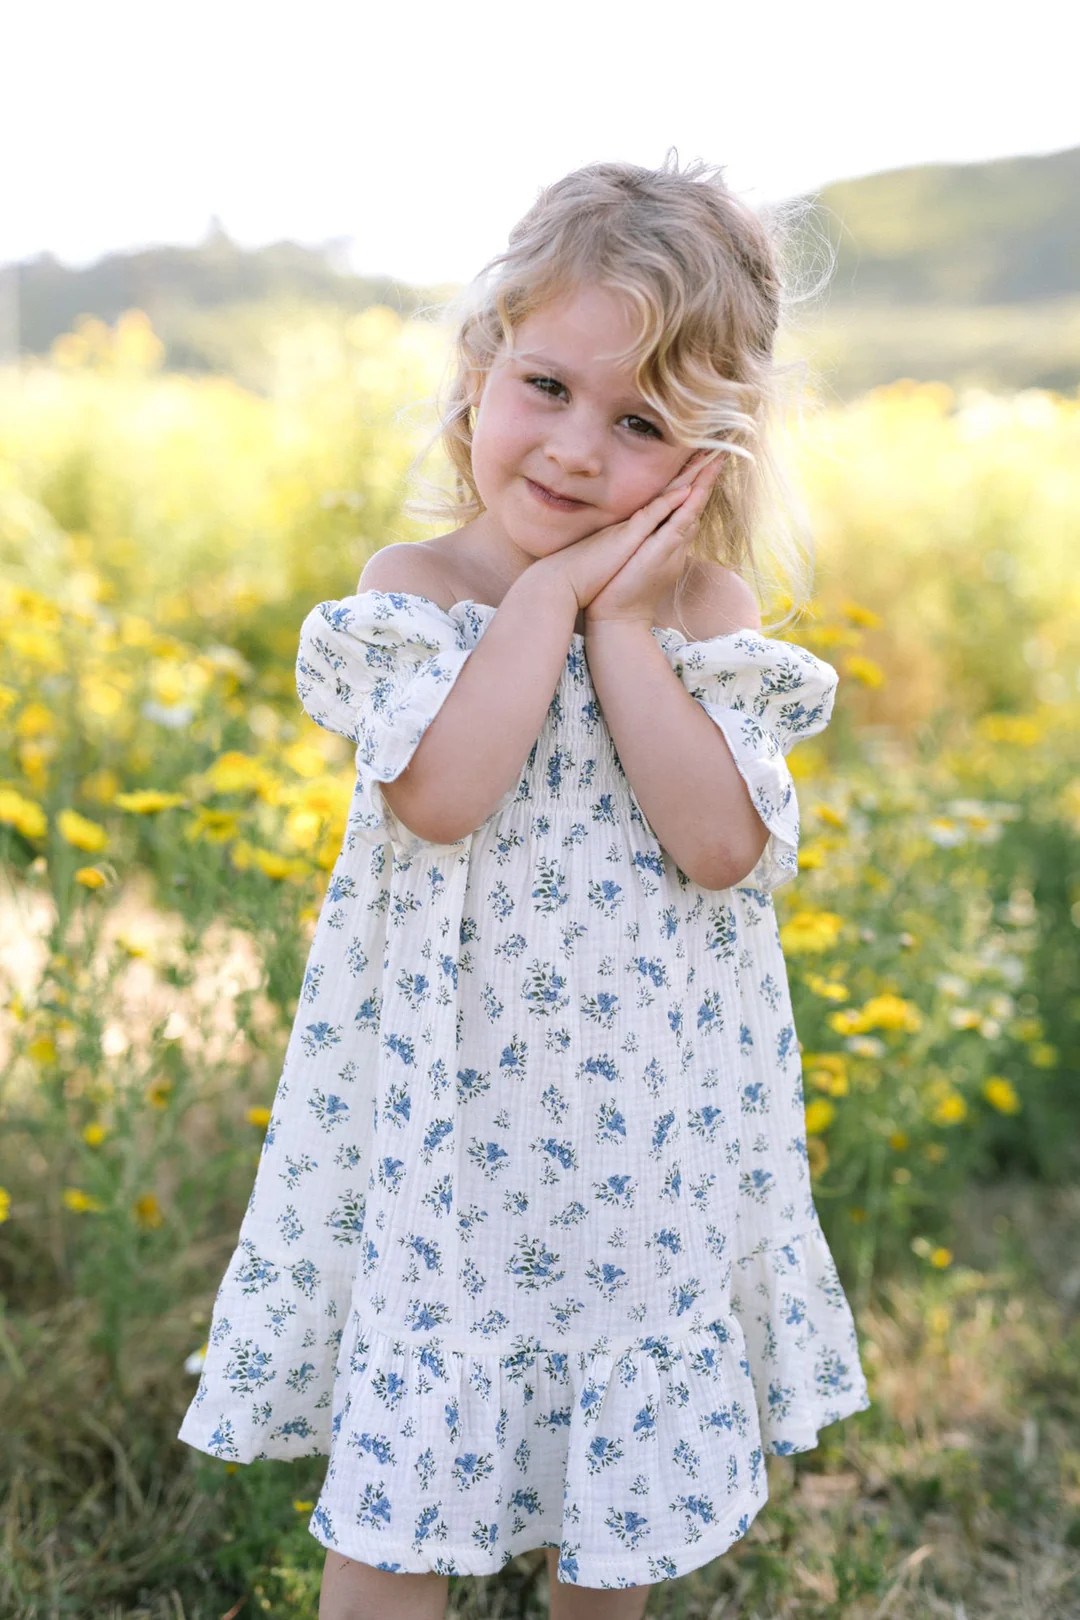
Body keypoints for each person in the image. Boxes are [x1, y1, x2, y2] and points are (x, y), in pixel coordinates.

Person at [177, 155, 871, 1619]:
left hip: (638, 1158)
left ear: (707, 463)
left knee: (606, 1528)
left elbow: (720, 846)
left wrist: (621, 623)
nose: (571, 449)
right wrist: (548, 597)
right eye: (546, 387)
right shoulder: (419, 590)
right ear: (482, 367)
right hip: (441, 1143)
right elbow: (442, 794)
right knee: (399, 1524)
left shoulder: (704, 618)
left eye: (638, 425)